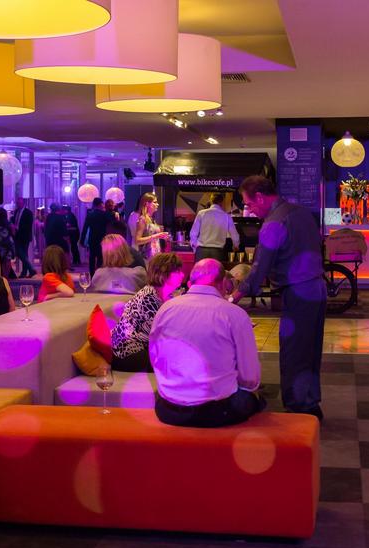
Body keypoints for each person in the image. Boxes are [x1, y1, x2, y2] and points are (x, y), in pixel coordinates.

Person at [230, 176, 326, 419]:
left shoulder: (273, 223)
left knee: (293, 352)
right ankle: (310, 402)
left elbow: (259, 268)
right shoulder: (301, 213)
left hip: (298, 292)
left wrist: (233, 297)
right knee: (310, 350)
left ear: (260, 197)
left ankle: (299, 408)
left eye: (249, 204)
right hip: (317, 287)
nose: (250, 210)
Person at [150, 259, 265, 427]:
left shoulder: (165, 309)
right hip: (216, 412)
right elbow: (250, 379)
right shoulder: (235, 314)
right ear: (224, 283)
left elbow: (155, 357)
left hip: (169, 410)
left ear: (190, 283)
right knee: (256, 399)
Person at [111, 253, 185, 372]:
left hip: (143, 347)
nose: (182, 274)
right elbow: (160, 336)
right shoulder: (149, 298)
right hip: (127, 353)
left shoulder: (163, 295)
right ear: (162, 274)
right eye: (177, 271)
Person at [190, 192, 239, 264]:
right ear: (221, 202)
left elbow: (193, 233)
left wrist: (195, 247)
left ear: (211, 201)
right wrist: (236, 245)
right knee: (216, 271)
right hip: (218, 252)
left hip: (202, 251)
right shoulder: (226, 216)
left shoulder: (201, 213)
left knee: (200, 271)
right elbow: (234, 235)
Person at [129, 193, 167, 259]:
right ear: (147, 204)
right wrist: (156, 236)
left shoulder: (151, 219)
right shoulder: (142, 219)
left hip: (154, 254)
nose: (157, 204)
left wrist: (161, 235)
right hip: (146, 256)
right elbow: (137, 240)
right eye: (155, 202)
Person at [81, 198, 113, 275]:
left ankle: (92, 275)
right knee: (100, 257)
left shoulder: (90, 214)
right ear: (100, 204)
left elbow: (85, 228)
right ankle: (99, 274)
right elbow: (111, 222)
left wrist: (82, 240)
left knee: (92, 257)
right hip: (102, 238)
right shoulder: (104, 214)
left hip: (92, 238)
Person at [11, 197, 36, 278]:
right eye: (17, 203)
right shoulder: (16, 212)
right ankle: (29, 270)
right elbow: (14, 221)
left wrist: (17, 228)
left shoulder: (28, 213)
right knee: (21, 254)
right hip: (17, 236)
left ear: (23, 203)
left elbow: (28, 225)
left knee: (23, 254)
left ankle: (26, 272)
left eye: (19, 203)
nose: (18, 204)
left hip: (25, 236)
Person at [0, 206, 17, 278]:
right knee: (8, 261)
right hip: (9, 244)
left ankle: (3, 276)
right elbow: (14, 233)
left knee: (2, 261)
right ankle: (7, 276)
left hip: (1, 245)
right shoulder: (9, 224)